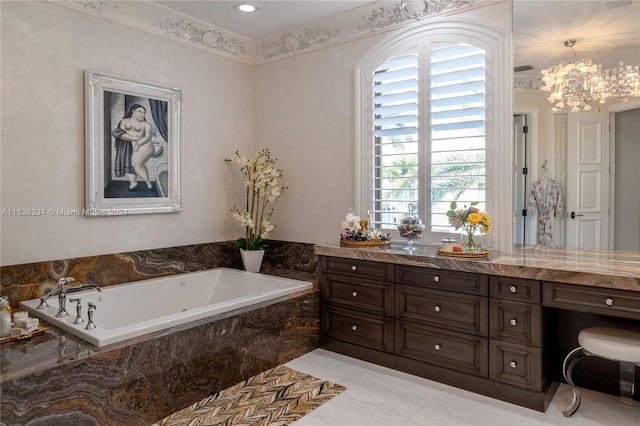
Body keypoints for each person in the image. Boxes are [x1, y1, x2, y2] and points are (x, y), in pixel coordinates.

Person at [112, 104, 154, 190]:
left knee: (136, 164)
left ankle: (148, 182)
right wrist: (131, 138)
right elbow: (121, 133)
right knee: (129, 164)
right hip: (128, 146)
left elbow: (147, 137)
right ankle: (133, 182)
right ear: (133, 111)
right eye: (140, 111)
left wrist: (138, 144)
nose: (142, 114)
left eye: (144, 112)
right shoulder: (124, 121)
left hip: (143, 146)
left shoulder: (147, 125)